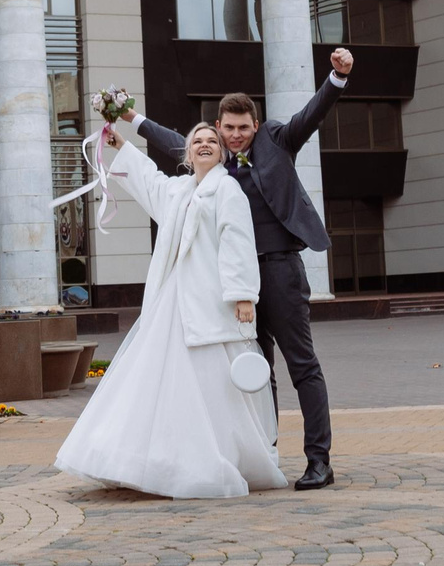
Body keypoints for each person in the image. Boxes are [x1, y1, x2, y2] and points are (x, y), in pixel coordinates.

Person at [130, 51, 351, 490]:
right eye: (226, 129)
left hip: (281, 271)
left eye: (242, 128)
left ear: (255, 125)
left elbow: (312, 113)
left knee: (301, 365)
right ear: (218, 127)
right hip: (233, 285)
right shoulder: (212, 159)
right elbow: (173, 139)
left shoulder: (278, 140)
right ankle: (263, 455)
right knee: (253, 371)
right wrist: (131, 118)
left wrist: (337, 77)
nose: (234, 136)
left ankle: (319, 461)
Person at [53, 122, 288, 499]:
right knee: (160, 380)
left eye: (213, 141)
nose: (206, 145)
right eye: (198, 141)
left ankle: (216, 458)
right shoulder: (178, 191)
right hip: (174, 300)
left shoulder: (228, 190)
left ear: (223, 152)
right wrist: (120, 146)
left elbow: (238, 241)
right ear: (188, 152)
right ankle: (154, 460)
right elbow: (149, 180)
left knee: (212, 386)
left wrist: (244, 295)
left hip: (212, 302)